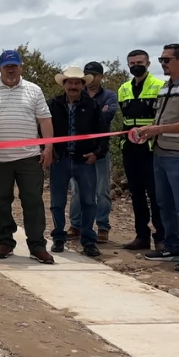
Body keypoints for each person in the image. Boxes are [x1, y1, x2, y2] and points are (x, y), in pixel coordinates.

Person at [133, 43, 179, 273]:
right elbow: (163, 120)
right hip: (161, 151)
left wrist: (157, 130)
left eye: (166, 59)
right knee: (164, 202)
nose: (163, 63)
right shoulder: (167, 86)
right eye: (161, 59)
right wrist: (150, 129)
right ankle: (172, 247)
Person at [0, 49, 56, 264]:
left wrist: (48, 147)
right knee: (1, 202)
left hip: (29, 158)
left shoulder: (34, 90)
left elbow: (45, 120)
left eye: (14, 65)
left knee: (33, 202)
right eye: (7, 66)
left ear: (21, 67)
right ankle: (5, 241)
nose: (10, 70)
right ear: (0, 68)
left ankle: (37, 245)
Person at [46, 66, 109, 257]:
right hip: (60, 160)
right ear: (64, 85)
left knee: (89, 201)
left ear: (83, 85)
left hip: (84, 161)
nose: (73, 86)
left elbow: (103, 133)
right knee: (57, 202)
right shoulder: (53, 104)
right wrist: (50, 152)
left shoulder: (92, 105)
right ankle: (58, 238)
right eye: (70, 82)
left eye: (77, 83)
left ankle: (88, 241)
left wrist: (96, 154)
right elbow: (44, 131)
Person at [117, 49, 166, 251]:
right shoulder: (123, 89)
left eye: (139, 62)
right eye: (132, 63)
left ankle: (161, 238)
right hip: (130, 148)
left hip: (151, 149)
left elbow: (164, 118)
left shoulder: (160, 86)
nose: (135, 65)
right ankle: (141, 236)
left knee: (156, 195)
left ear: (148, 64)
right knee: (136, 195)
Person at [68, 61, 118, 243]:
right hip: (79, 151)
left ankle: (103, 226)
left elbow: (107, 116)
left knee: (102, 190)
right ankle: (75, 225)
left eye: (95, 75)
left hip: (100, 151)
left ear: (101, 76)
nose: (91, 78)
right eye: (88, 75)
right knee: (77, 191)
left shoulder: (109, 95)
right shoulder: (76, 95)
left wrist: (88, 115)